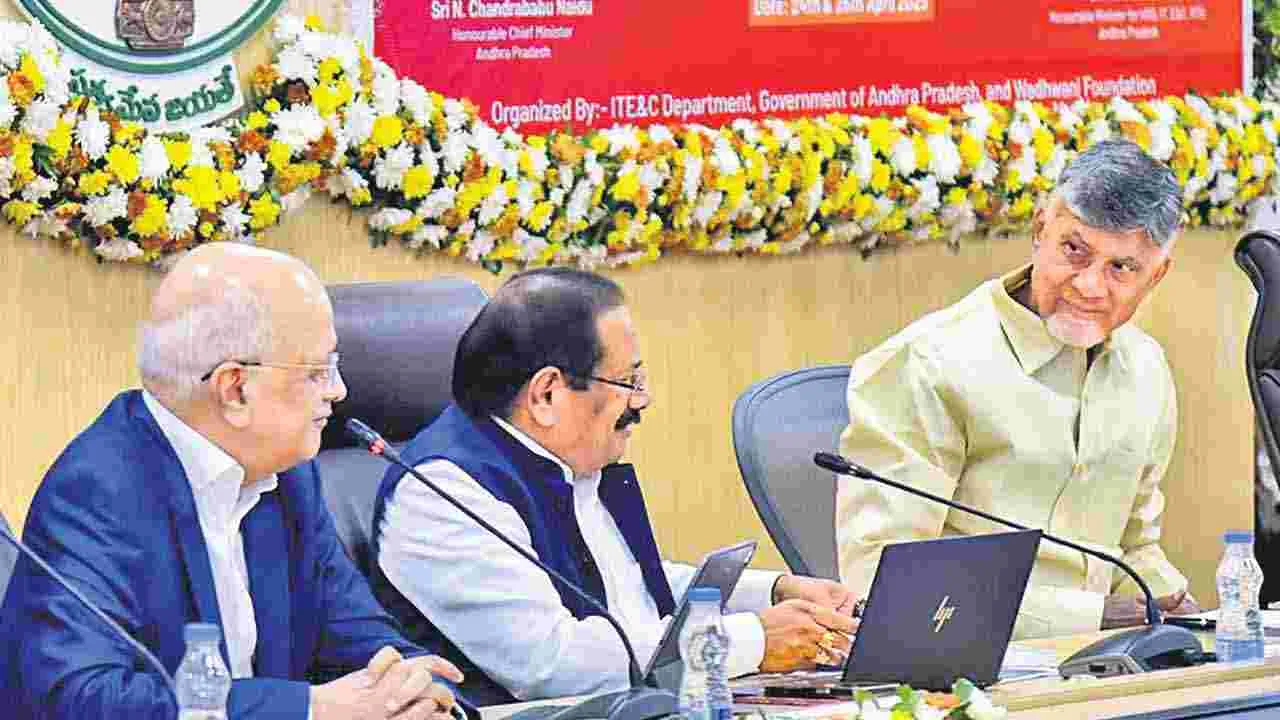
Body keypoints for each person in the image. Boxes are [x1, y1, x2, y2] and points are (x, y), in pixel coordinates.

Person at [0, 243, 467, 720]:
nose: (339, 390)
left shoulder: (286, 474)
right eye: (318, 371)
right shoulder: (97, 489)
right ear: (235, 388)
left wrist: (413, 689)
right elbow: (81, 696)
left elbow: (359, 633)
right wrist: (310, 709)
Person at [372, 268, 857, 705]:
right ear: (546, 394)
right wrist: (752, 641)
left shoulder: (561, 463)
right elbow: (554, 663)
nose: (642, 400)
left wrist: (771, 594)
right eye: (628, 381)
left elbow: (631, 591)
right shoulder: (441, 492)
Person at [835, 139, 1200, 639]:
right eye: (1074, 251)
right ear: (1039, 230)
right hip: (966, 660)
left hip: (1110, 656)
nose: (1089, 286)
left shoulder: (1146, 368)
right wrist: (1093, 615)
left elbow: (1134, 549)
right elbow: (882, 580)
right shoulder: (928, 364)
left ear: (1155, 276)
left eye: (1121, 268)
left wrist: (1183, 610)